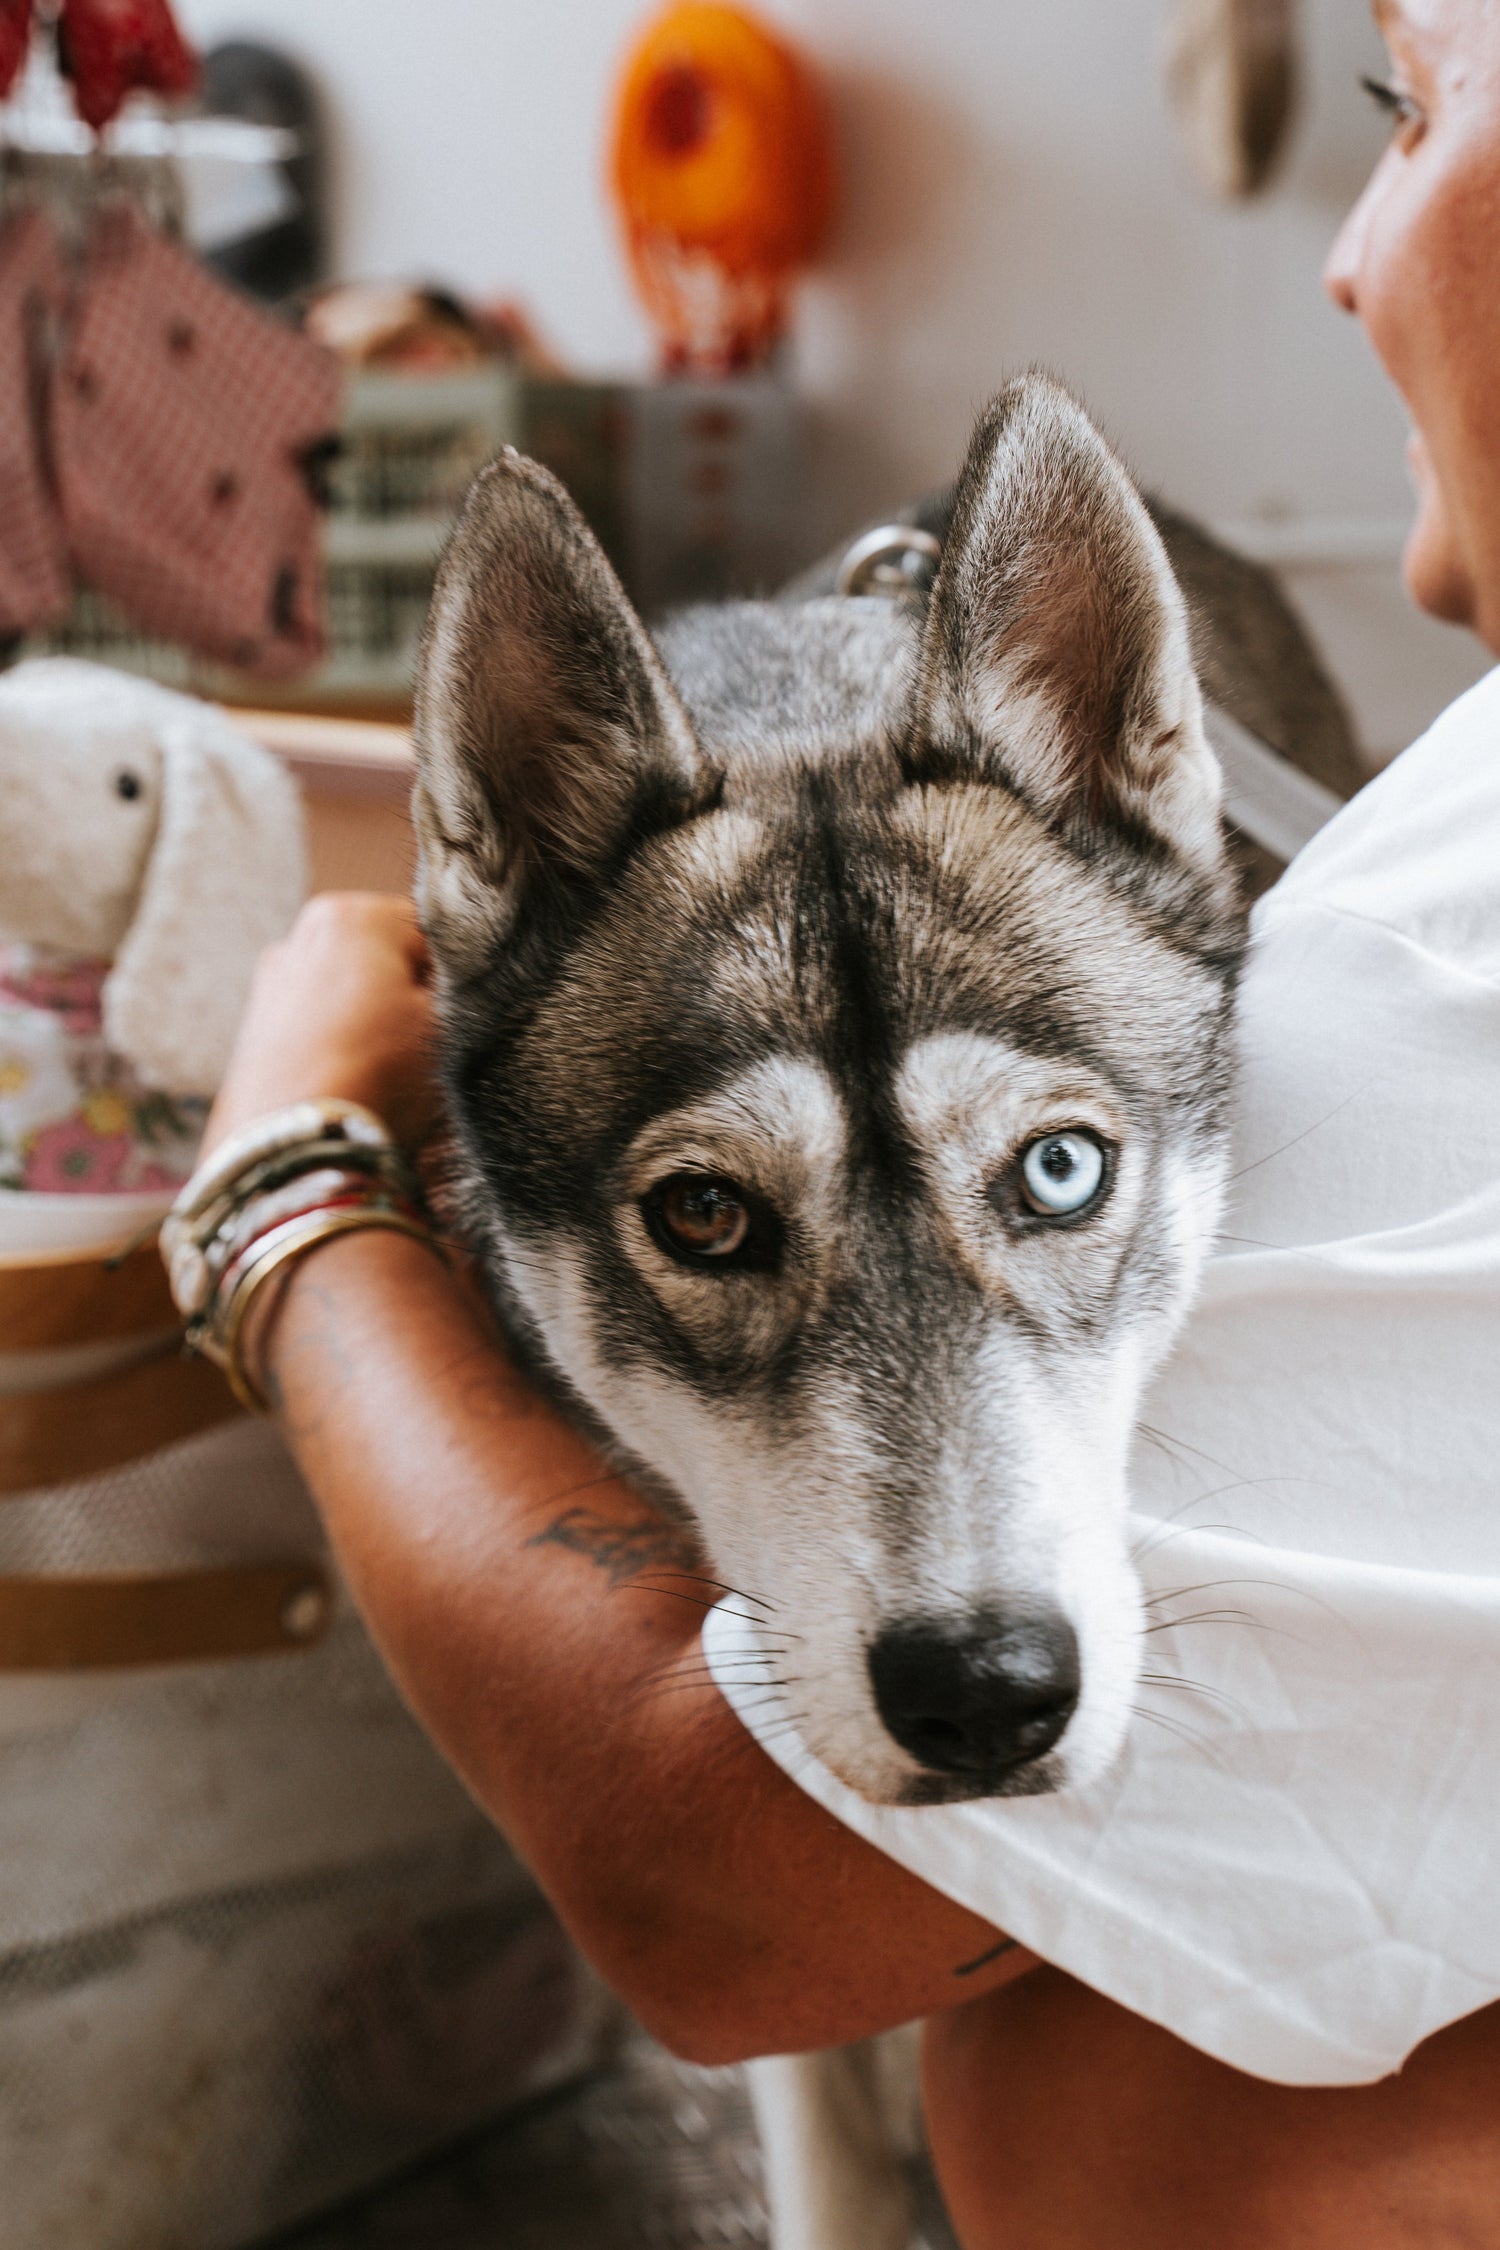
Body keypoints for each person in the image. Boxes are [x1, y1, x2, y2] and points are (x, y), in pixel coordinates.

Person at [197, 2, 1500, 2240]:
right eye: (720, 1224)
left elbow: (727, 1897)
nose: (1345, 254)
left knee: (1038, 2010)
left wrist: (281, 1186)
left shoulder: (1409, 984)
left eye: (1420, 111)